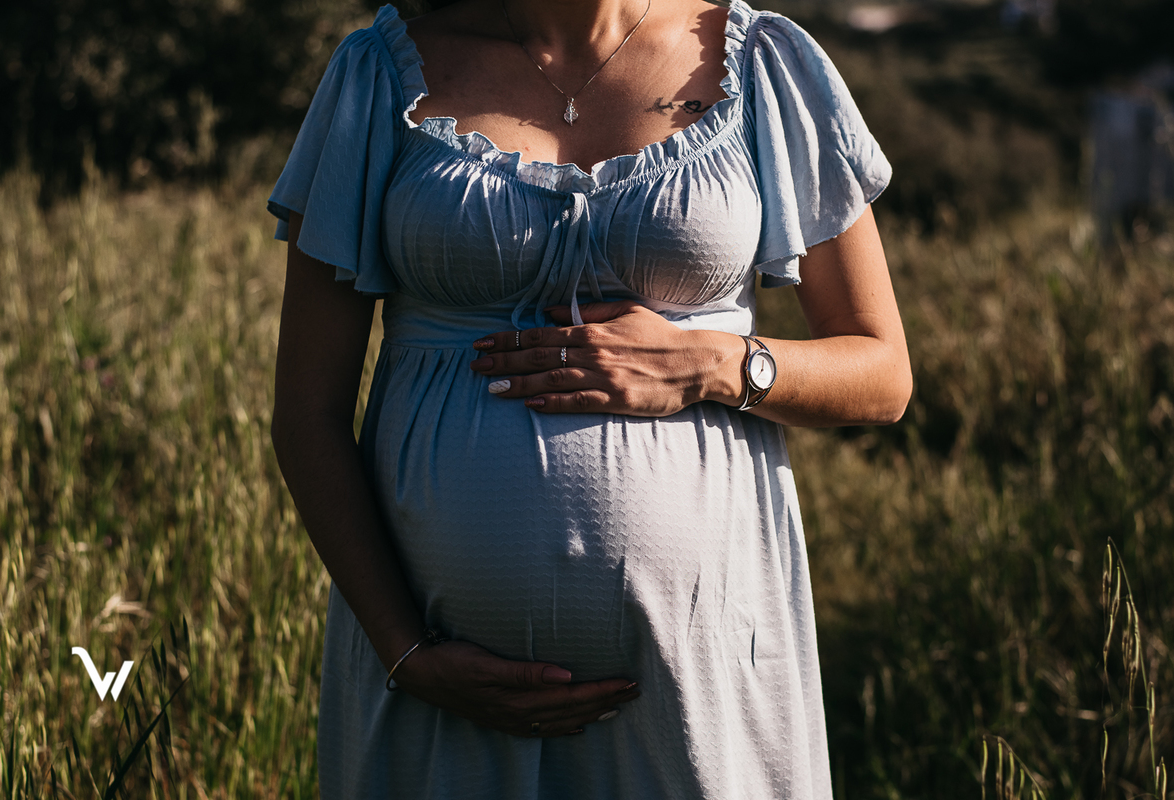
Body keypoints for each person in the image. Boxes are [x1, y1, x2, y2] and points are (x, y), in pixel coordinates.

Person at [267, 0, 911, 796]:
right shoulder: (382, 73)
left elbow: (882, 373)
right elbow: (308, 412)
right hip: (442, 688)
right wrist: (404, 651)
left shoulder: (760, 64)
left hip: (701, 674)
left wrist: (715, 365)